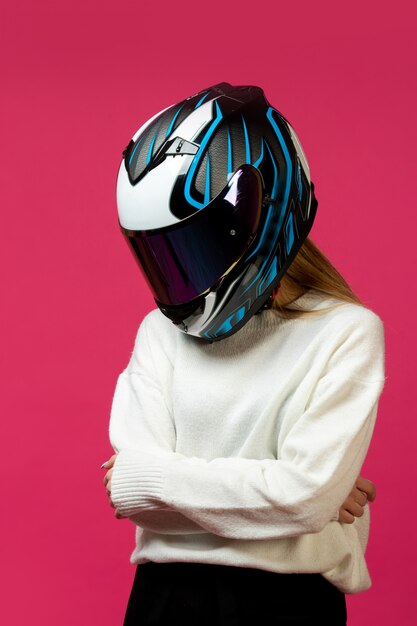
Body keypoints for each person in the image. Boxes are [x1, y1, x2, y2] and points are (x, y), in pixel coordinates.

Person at [101, 83, 386, 625]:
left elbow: (135, 482)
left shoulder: (346, 333)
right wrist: (295, 493)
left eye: (194, 245)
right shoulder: (160, 334)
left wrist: (150, 479)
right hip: (164, 602)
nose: (180, 276)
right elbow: (304, 498)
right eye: (161, 254)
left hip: (286, 605)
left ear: (260, 217)